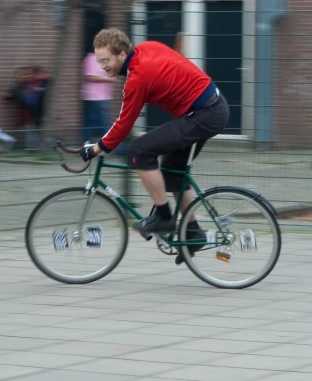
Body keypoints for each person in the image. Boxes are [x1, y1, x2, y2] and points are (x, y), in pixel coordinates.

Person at [79, 28, 229, 240]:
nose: (102, 68)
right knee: (172, 170)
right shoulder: (146, 48)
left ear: (122, 54)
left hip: (204, 113)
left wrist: (96, 148)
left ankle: (163, 217)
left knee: (139, 150)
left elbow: (123, 124)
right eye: (99, 62)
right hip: (211, 107)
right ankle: (193, 233)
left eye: (105, 61)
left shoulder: (137, 77)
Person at [81, 51, 118, 145]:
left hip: (104, 96)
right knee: (104, 122)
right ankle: (114, 146)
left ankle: (86, 144)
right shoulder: (91, 59)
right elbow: (90, 77)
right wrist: (109, 79)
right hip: (94, 97)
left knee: (93, 122)